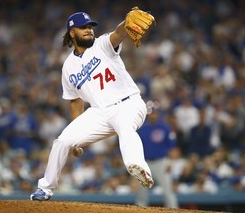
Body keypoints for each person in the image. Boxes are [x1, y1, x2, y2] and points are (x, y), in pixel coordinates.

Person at [30, 11, 154, 201]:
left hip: (128, 103)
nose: (88, 30)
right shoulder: (68, 66)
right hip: (99, 112)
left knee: (125, 127)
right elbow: (75, 100)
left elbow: (119, 33)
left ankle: (139, 167)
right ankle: (45, 188)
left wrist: (125, 23)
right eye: (83, 27)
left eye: (90, 27)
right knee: (62, 141)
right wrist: (76, 138)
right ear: (72, 33)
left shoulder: (102, 44)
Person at [135, 110, 178, 208]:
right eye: (151, 113)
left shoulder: (165, 128)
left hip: (161, 162)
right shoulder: (141, 128)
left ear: (157, 114)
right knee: (142, 193)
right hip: (145, 163)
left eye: (154, 112)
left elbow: (172, 147)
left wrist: (170, 163)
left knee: (168, 190)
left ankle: (173, 209)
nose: (153, 115)